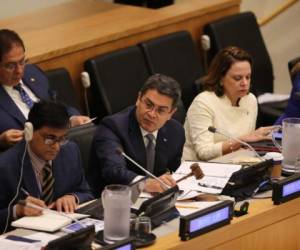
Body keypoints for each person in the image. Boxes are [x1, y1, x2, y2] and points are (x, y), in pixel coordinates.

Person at [0, 101, 94, 233]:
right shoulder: (5, 166)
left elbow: (86, 192)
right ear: (29, 132)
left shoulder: (70, 151)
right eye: (50, 138)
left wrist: (73, 197)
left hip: (63, 234)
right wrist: (17, 210)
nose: (56, 146)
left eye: (62, 138)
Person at [89, 74, 185, 196]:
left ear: (171, 113)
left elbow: (172, 171)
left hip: (153, 201)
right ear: (139, 98)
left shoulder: (175, 131)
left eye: (161, 110)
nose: (152, 114)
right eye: (148, 105)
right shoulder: (113, 127)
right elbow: (114, 171)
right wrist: (145, 183)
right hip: (114, 201)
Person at [0, 29, 90, 149]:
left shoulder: (33, 73)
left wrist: (72, 119)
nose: (19, 71)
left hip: (63, 144)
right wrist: (1, 141)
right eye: (10, 66)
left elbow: (58, 105)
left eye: (22, 62)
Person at [183, 47, 276, 161]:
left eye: (248, 77)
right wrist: (244, 139)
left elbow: (246, 146)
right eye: (237, 78)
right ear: (221, 79)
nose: (245, 83)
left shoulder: (250, 100)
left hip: (236, 163)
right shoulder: (203, 103)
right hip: (201, 170)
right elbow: (204, 152)